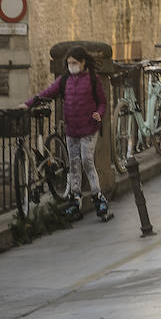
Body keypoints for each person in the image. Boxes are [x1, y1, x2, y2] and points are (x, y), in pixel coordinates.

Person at [25, 46, 112, 222]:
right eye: (69, 63)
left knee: (87, 161)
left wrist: (98, 114)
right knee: (73, 164)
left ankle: (98, 197)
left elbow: (102, 103)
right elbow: (47, 93)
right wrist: (28, 104)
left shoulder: (93, 80)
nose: (71, 66)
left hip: (89, 128)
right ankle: (75, 199)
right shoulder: (65, 80)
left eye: (74, 63)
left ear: (83, 62)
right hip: (72, 130)